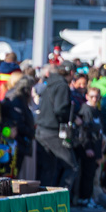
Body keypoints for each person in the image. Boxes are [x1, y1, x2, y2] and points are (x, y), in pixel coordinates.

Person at [34, 64, 77, 194]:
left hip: (41, 130)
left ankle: (44, 203)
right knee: (72, 166)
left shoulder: (50, 83)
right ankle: (60, 202)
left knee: (49, 168)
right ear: (70, 72)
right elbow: (60, 109)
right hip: (52, 131)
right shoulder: (62, 85)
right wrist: (72, 117)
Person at [74, 87, 105, 208]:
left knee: (92, 174)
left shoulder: (96, 110)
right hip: (88, 147)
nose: (94, 99)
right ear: (87, 96)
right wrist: (87, 147)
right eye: (92, 96)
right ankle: (84, 198)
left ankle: (89, 197)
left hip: (96, 146)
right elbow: (83, 131)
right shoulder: (85, 110)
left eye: (97, 97)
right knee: (87, 174)